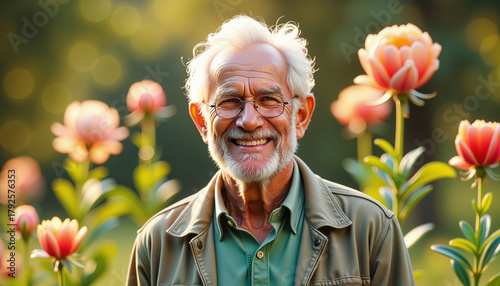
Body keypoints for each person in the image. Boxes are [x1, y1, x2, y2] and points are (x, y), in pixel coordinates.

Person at [126, 15, 415, 286]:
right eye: (229, 101)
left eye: (268, 99)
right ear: (202, 121)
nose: (249, 120)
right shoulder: (157, 245)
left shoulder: (370, 230)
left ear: (301, 116)